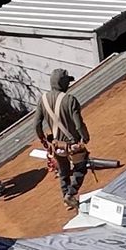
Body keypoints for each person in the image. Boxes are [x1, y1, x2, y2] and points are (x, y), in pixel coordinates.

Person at [36, 69, 92, 210]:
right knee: (80, 169)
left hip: (56, 145)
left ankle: (65, 198)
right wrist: (85, 138)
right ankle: (71, 194)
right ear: (63, 83)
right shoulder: (70, 100)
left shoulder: (43, 100)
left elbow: (37, 124)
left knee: (63, 171)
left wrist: (43, 139)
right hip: (72, 145)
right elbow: (78, 124)